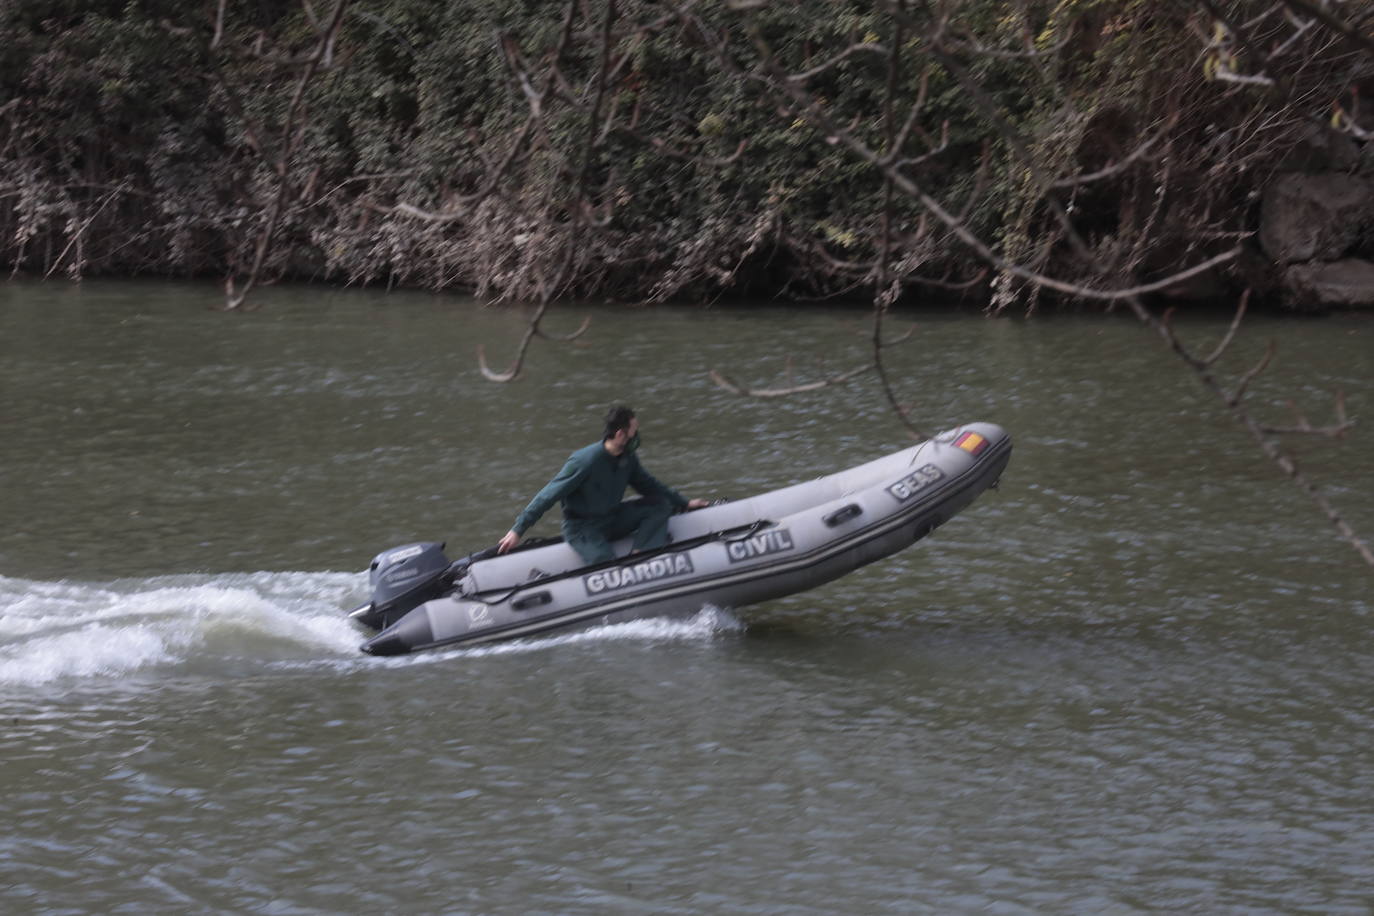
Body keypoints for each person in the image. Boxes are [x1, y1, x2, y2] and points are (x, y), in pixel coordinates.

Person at [497, 406, 710, 565]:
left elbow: (650, 485)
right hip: (583, 529)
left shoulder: (628, 458)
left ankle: (641, 559)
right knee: (605, 563)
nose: (637, 436)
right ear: (620, 434)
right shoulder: (585, 461)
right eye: (634, 430)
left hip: (612, 518)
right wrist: (518, 529)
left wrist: (685, 502)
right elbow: (548, 495)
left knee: (659, 505)